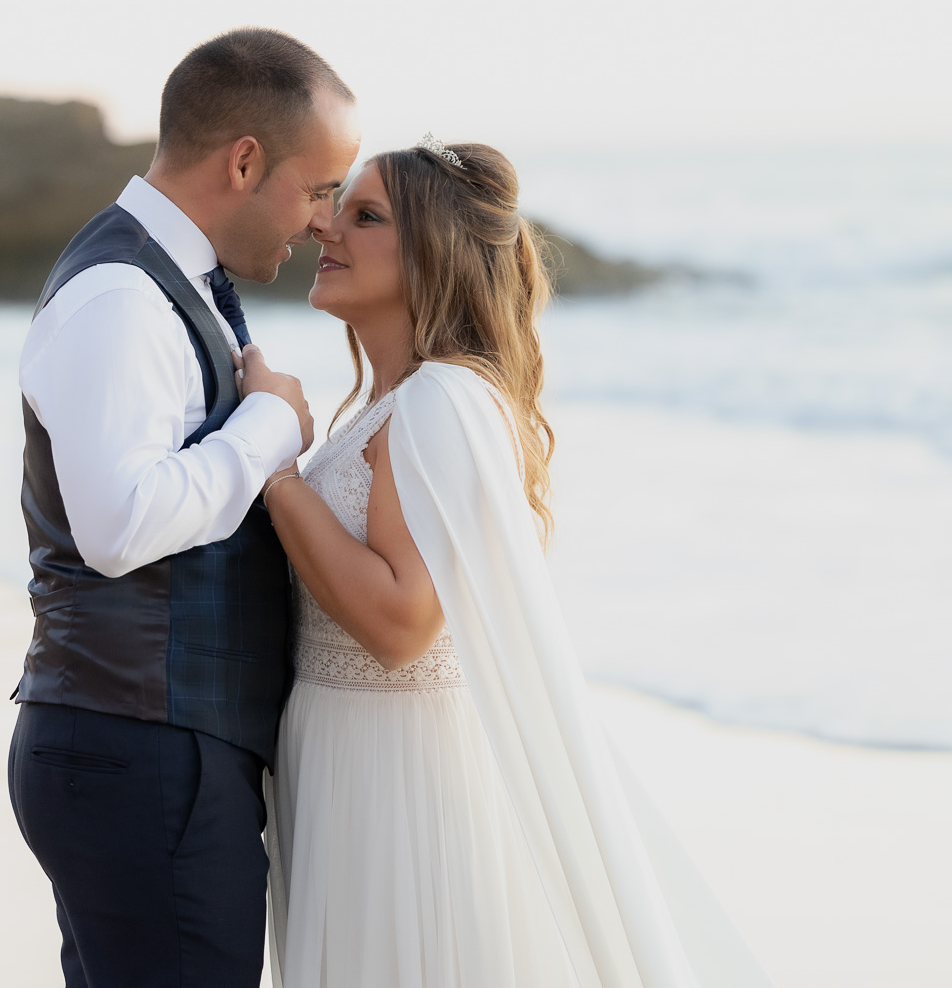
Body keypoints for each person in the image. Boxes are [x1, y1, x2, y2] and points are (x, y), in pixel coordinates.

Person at [262, 138, 777, 987]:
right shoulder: (385, 405)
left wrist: (275, 471)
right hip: (343, 763)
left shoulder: (439, 400)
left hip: (401, 787)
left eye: (365, 215)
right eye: (335, 207)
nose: (327, 228)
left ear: (434, 252)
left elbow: (401, 624)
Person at [8, 28, 359, 988]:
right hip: (141, 755)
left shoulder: (164, 285)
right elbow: (118, 527)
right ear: (244, 161)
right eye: (320, 187)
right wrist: (267, 429)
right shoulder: (122, 295)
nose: (324, 221)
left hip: (147, 750)